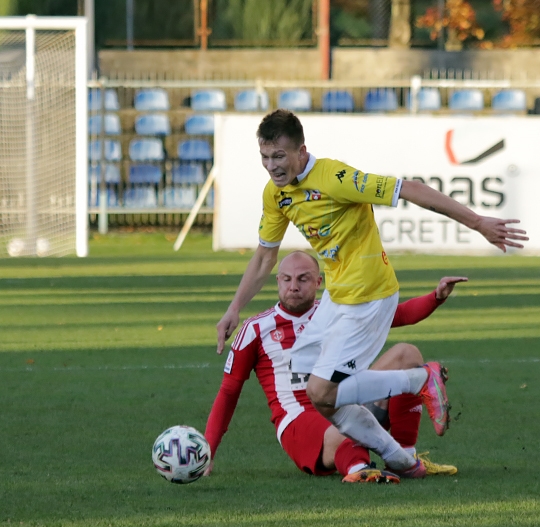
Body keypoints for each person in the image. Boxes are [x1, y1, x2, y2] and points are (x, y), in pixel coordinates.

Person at [215, 109, 528, 478]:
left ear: (301, 150)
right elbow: (266, 253)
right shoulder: (277, 194)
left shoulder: (334, 177)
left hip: (369, 294)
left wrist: (477, 222)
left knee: (321, 392)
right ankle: (403, 462)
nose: (272, 166)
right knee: (305, 379)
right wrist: (235, 307)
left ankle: (420, 380)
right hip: (337, 296)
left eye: (279, 156)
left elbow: (409, 188)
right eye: (265, 157)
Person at [205, 251, 463, 484]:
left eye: (303, 279)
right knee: (342, 434)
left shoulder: (337, 312)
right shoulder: (256, 329)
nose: (293, 287)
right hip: (298, 421)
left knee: (407, 354)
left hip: (348, 402)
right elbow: (229, 392)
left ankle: (407, 458)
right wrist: (209, 450)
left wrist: (436, 297)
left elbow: (400, 315)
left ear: (319, 282)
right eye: (286, 279)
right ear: (277, 282)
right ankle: (361, 469)